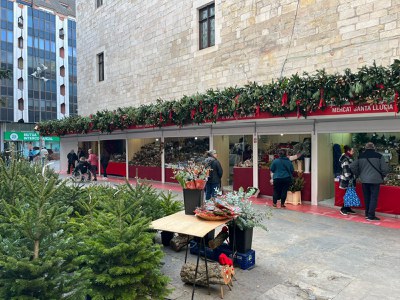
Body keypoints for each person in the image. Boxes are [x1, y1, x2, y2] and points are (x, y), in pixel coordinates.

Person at [350, 142, 389, 221]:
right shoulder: (379, 156)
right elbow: (385, 169)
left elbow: (352, 166)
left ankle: (367, 214)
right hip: (375, 180)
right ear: (374, 148)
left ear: (365, 147)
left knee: (366, 197)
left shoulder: (360, 156)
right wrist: (383, 175)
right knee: (373, 198)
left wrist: (358, 174)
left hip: (364, 180)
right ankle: (371, 216)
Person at [338, 145, 357, 215]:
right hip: (347, 180)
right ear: (348, 151)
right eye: (352, 150)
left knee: (349, 193)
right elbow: (346, 170)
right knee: (347, 194)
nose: (353, 152)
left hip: (350, 179)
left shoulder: (350, 158)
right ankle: (343, 209)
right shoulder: (345, 159)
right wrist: (349, 178)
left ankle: (348, 208)